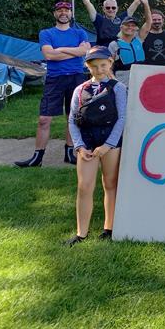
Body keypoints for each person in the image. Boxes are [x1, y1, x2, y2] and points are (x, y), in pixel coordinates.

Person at [15, 1, 90, 167]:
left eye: (67, 10)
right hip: (55, 79)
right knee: (44, 119)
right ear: (55, 14)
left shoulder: (80, 33)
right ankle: (37, 158)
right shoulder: (46, 33)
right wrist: (73, 51)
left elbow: (84, 51)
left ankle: (70, 153)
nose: (63, 13)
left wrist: (61, 49)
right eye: (60, 10)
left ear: (71, 13)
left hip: (76, 78)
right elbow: (49, 55)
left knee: (73, 117)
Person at [66, 45, 127, 246]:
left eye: (103, 65)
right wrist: (79, 146)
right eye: (94, 66)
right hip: (87, 142)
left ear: (110, 63)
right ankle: (81, 233)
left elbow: (122, 118)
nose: (99, 69)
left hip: (110, 141)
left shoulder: (118, 88)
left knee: (110, 183)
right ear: (87, 66)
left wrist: (108, 145)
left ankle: (109, 228)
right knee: (84, 186)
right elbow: (72, 120)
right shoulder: (79, 89)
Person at [107, 0, 152, 85]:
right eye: (127, 25)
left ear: (136, 28)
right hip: (123, 82)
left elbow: (148, 22)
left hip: (141, 81)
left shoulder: (139, 39)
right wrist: (114, 83)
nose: (130, 27)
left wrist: (146, 4)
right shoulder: (114, 45)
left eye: (133, 25)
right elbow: (108, 68)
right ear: (121, 27)